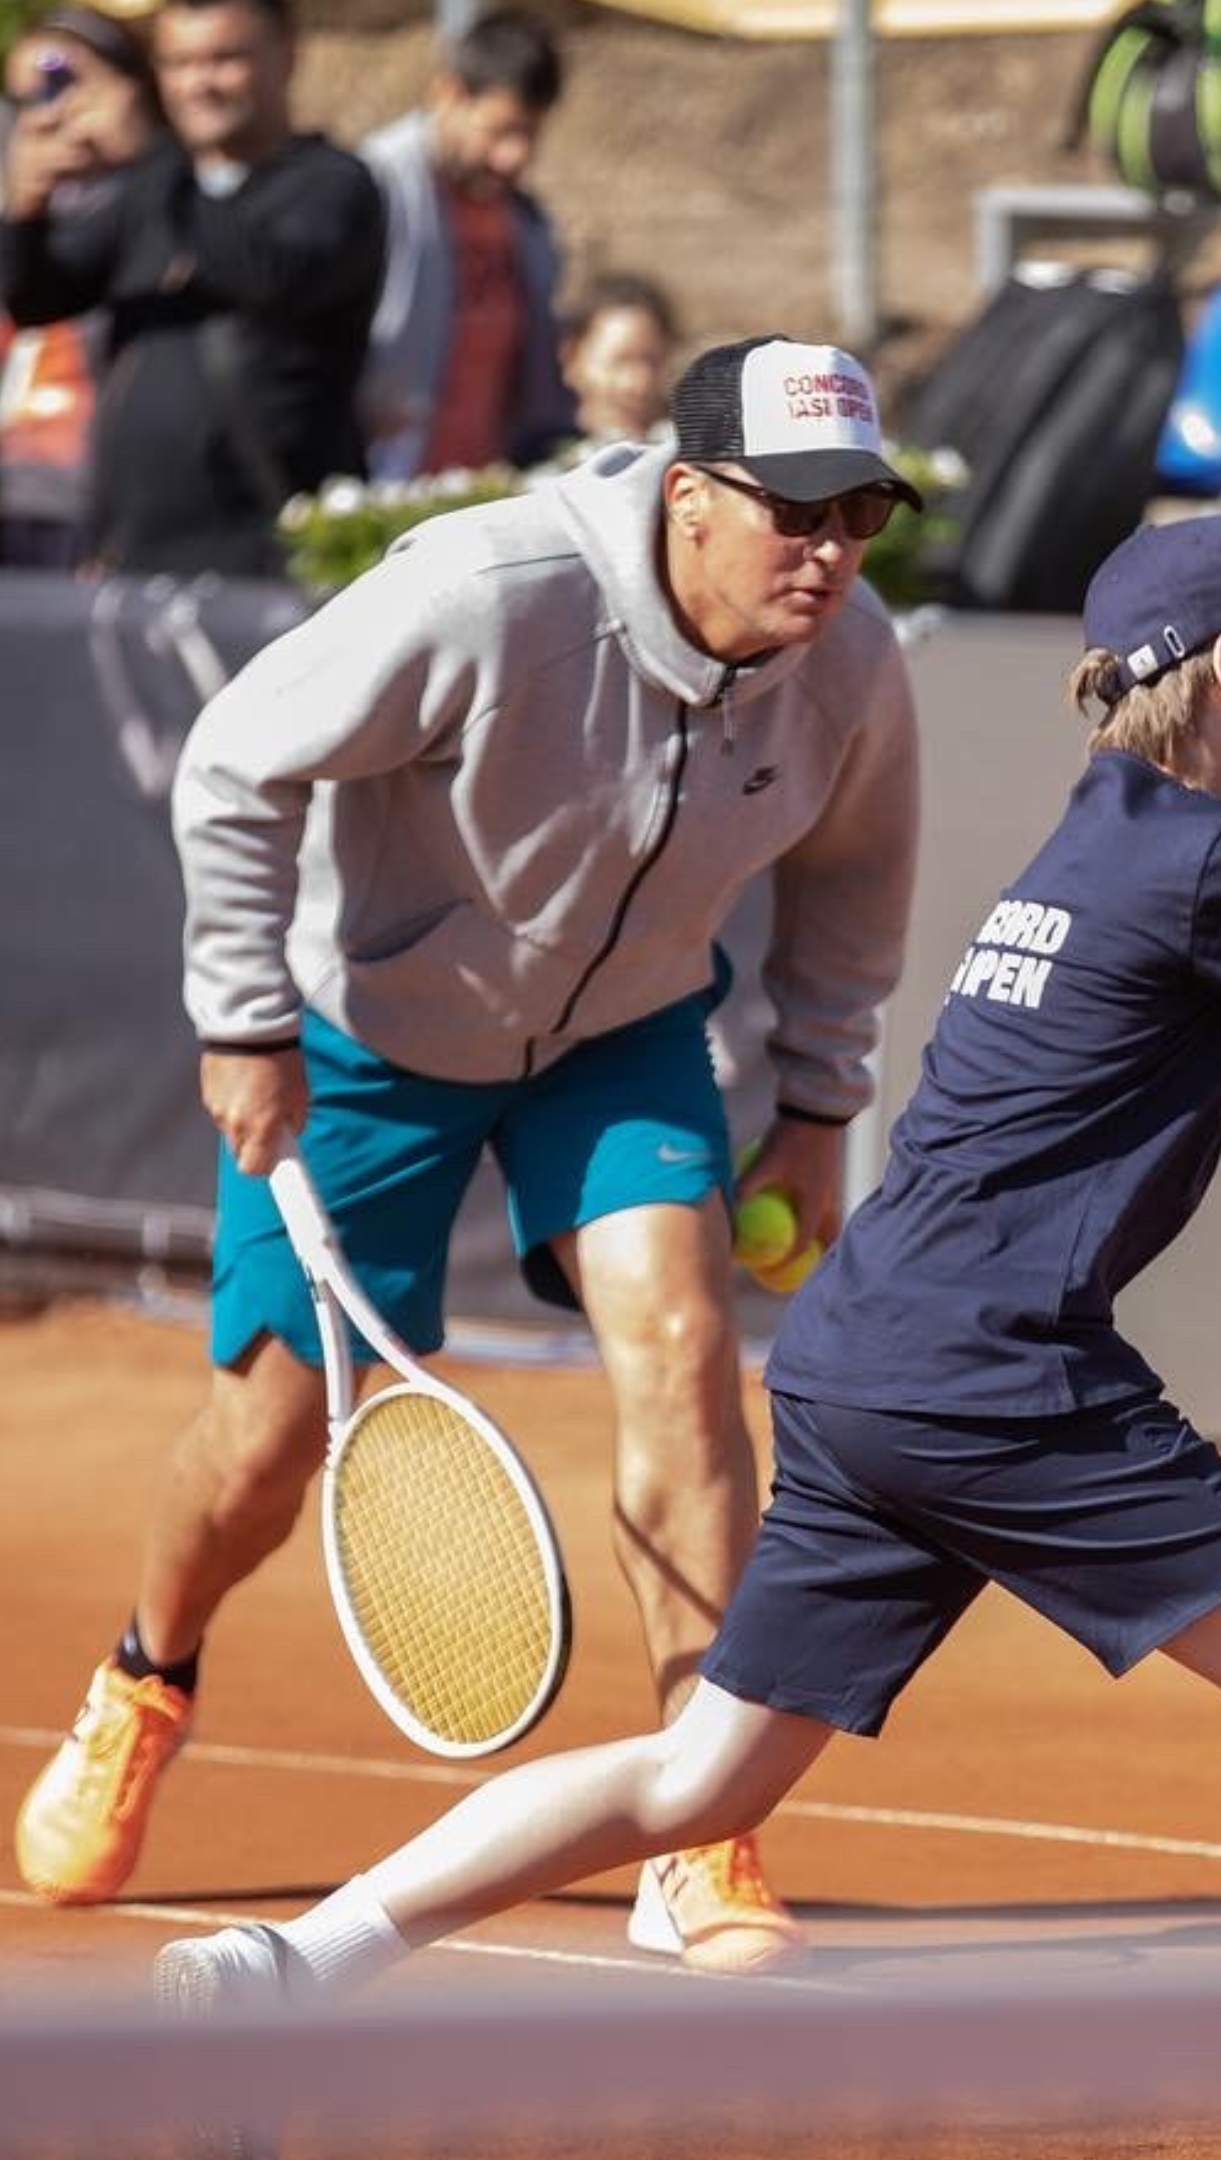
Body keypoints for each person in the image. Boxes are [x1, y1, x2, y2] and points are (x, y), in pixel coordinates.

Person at [145, 510, 1221, 2159]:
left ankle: (289, 1965)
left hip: (859, 1362)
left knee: (701, 1782)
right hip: (997, 1362)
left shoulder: (1117, 825)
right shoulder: (1218, 859)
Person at [14, 332, 925, 1980]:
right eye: (796, 513)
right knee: (268, 1442)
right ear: (694, 494)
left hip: (624, 1036)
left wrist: (815, 1107)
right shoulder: (492, 589)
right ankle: (148, 1675)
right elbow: (234, 760)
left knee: (684, 1340)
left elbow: (855, 885)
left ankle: (699, 1826)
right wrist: (244, 1023)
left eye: (860, 512)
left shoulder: (851, 664)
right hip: (367, 1038)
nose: (832, 552)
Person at [0, 0, 384, 578]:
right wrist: (25, 207)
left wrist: (152, 153)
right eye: (178, 65)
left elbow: (266, 273)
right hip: (134, 555)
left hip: (270, 560)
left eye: (223, 59)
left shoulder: (333, 184)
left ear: (288, 55)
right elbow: (37, 299)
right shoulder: (157, 193)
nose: (198, 84)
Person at [359, 5, 575, 482]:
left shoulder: (524, 222)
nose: (513, 156)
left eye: (529, 135)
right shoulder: (374, 190)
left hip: (484, 491)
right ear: (448, 95)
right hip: (385, 490)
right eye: (499, 132)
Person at [0, 3, 165, 567]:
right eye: (27, 99)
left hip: (93, 495)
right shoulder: (20, 199)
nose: (53, 114)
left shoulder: (159, 198)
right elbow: (27, 300)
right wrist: (24, 204)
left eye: (68, 85)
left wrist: (138, 155)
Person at [558, 267, 678, 448]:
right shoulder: (535, 461)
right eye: (620, 362)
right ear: (572, 359)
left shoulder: (685, 455)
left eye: (652, 361)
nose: (638, 384)